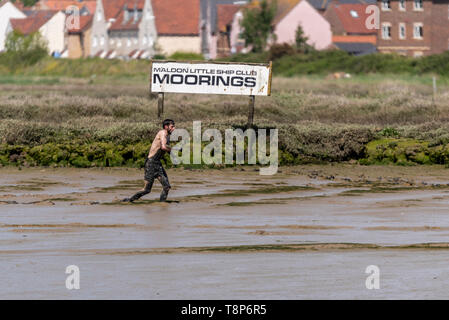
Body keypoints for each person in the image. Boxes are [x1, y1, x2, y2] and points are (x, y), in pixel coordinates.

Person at [122, 119, 175, 203]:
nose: (174, 128)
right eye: (172, 126)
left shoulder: (167, 136)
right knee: (147, 190)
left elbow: (165, 149)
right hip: (151, 163)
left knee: (166, 187)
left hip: (158, 164)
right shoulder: (163, 133)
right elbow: (163, 147)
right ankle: (129, 200)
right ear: (166, 127)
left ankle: (162, 204)